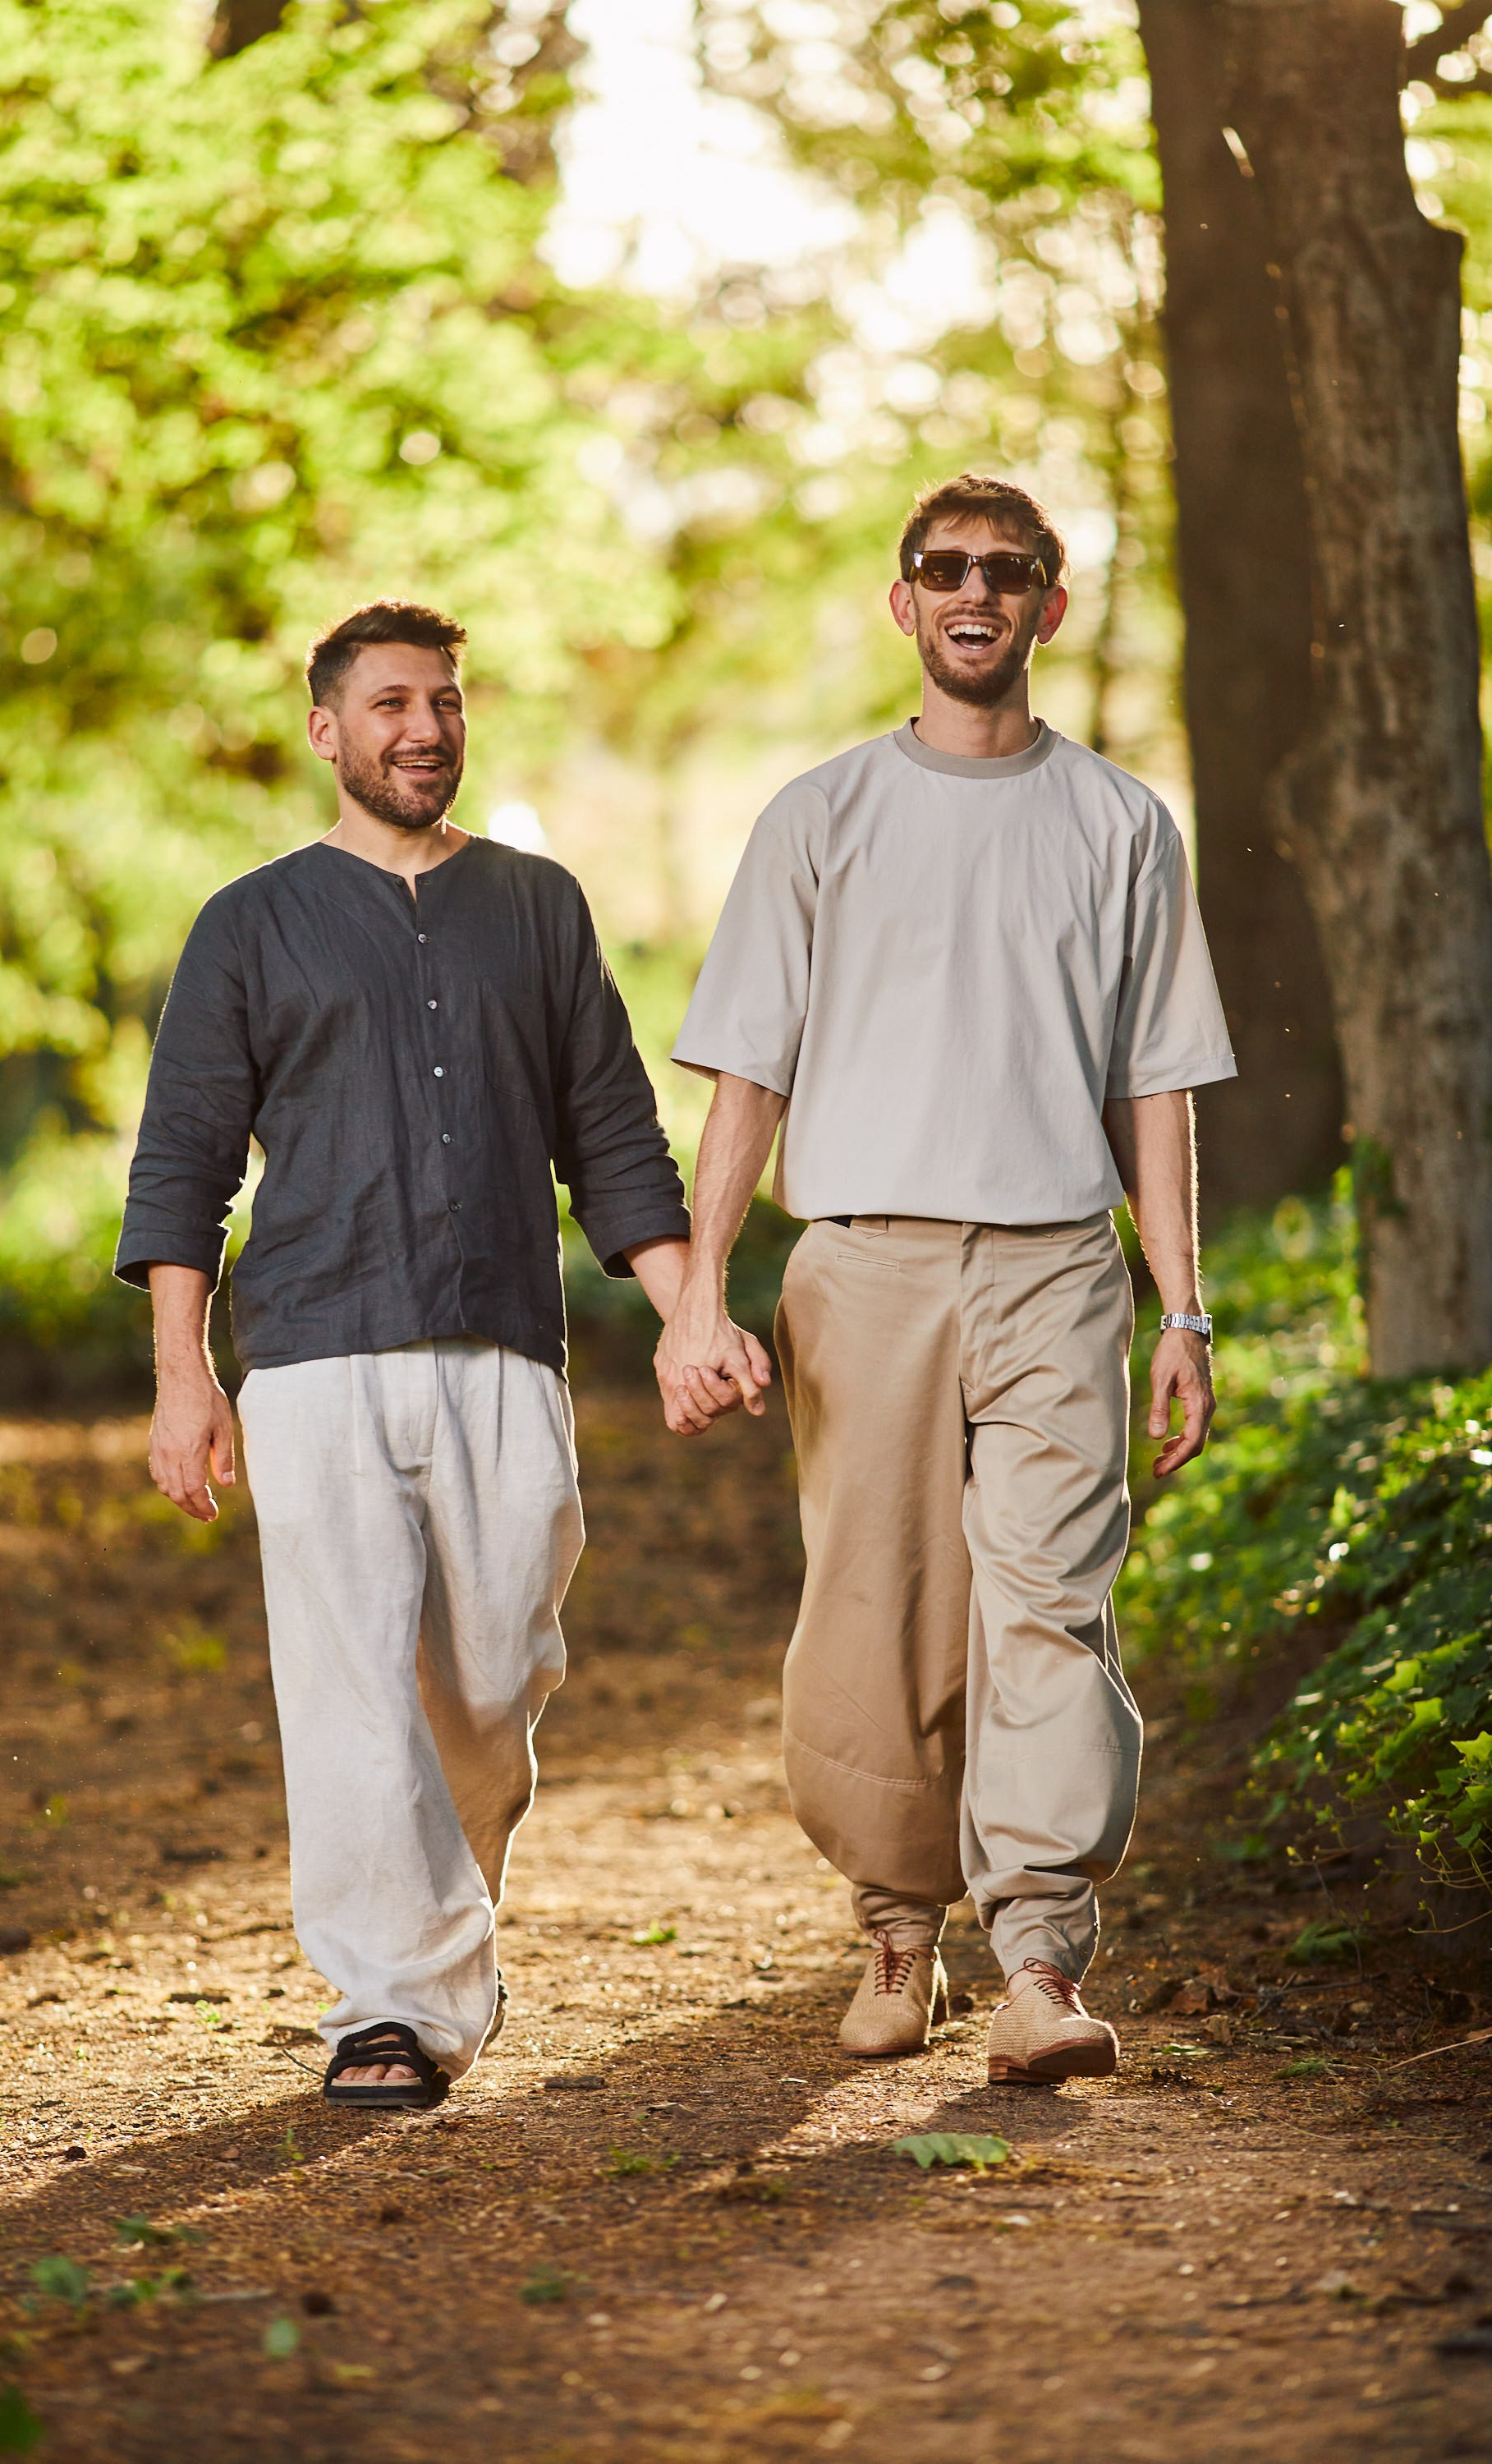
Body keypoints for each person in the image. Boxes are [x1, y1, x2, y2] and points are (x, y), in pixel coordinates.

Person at [656, 474, 1234, 2085]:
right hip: (863, 1269)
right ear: (903, 601)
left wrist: (1181, 1309)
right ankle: (895, 1928)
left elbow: (1155, 1089)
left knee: (1052, 1607)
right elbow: (747, 1079)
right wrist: (699, 1295)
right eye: (946, 568)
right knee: (877, 1612)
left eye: (1009, 570)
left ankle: (1037, 1958)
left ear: (1050, 604)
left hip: (1058, 1271)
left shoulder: (1122, 824)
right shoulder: (819, 816)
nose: (976, 592)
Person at [116, 600, 691, 2109]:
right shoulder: (250, 922)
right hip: (312, 1353)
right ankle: (390, 2005)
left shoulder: (538, 905)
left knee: (493, 1681)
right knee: (352, 1684)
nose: (424, 729)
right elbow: (183, 1165)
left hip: (505, 1344)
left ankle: (447, 1927)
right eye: (390, 704)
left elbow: (613, 1135)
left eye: (442, 701)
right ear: (327, 729)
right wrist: (185, 1376)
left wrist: (688, 1309)